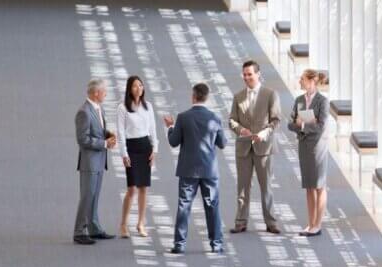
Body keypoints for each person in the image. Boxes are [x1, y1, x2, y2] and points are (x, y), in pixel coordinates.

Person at [162, 82, 227, 254]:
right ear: (207, 97)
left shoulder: (183, 117)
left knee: (184, 205)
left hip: (188, 169)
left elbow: (173, 142)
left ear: (193, 96)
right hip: (209, 170)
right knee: (212, 206)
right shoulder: (215, 118)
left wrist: (170, 126)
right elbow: (222, 143)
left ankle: (180, 244)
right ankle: (216, 244)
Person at [229, 60, 282, 234]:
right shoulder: (238, 96)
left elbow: (275, 119)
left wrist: (264, 133)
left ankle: (271, 222)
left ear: (258, 74)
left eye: (249, 74)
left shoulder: (270, 94)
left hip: (263, 147)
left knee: (266, 186)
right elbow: (232, 120)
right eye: (244, 74)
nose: (246, 77)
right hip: (244, 147)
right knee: (243, 187)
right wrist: (240, 129)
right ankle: (241, 221)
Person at [73, 78, 117, 245]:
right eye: (104, 91)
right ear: (96, 93)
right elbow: (82, 139)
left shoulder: (98, 108)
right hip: (89, 162)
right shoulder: (84, 112)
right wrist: (105, 143)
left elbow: (97, 130)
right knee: (87, 196)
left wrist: (108, 134)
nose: (106, 93)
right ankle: (79, 231)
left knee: (94, 196)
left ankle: (94, 228)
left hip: (98, 161)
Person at [288, 69, 330, 237]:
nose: (300, 82)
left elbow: (321, 126)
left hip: (318, 148)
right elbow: (290, 124)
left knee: (319, 185)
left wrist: (303, 125)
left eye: (302, 79)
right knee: (308, 186)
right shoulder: (299, 100)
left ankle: (317, 224)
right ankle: (310, 223)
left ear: (312, 81)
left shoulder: (323, 101)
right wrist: (301, 125)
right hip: (304, 146)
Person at [117, 75, 158, 239]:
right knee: (131, 188)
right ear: (129, 89)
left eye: (141, 86)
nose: (138, 89)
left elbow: (153, 129)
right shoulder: (122, 108)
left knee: (143, 188)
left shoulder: (148, 106)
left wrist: (155, 150)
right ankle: (123, 224)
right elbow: (120, 132)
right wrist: (123, 153)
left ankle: (141, 223)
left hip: (145, 147)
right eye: (135, 86)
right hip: (131, 147)